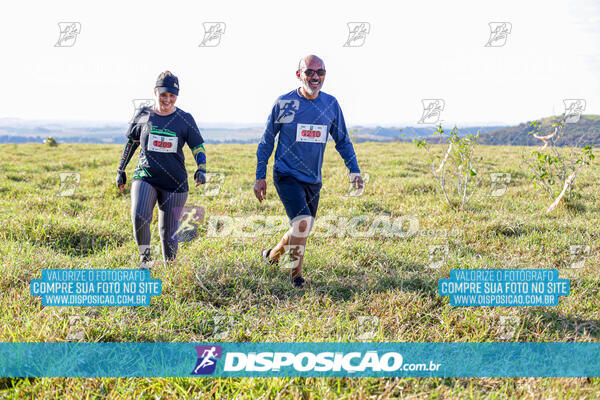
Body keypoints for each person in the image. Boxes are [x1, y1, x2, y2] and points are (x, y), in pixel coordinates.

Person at [254, 55, 364, 288]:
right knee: (302, 224)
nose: (315, 77)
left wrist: (353, 169)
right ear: (299, 75)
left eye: (320, 72)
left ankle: (271, 256)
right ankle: (296, 278)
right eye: (309, 72)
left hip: (313, 179)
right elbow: (266, 141)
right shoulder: (286, 104)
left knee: (301, 227)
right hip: (286, 174)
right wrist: (260, 175)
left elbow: (342, 140)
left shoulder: (330, 105)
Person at [115, 71, 207, 268]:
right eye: (163, 94)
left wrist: (201, 168)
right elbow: (131, 143)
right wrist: (120, 169)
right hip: (145, 175)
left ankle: (171, 269)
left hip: (175, 181)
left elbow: (197, 147)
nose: (167, 99)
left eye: (172, 95)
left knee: (168, 232)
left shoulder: (185, 119)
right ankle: (145, 260)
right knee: (139, 215)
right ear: (155, 92)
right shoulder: (143, 115)